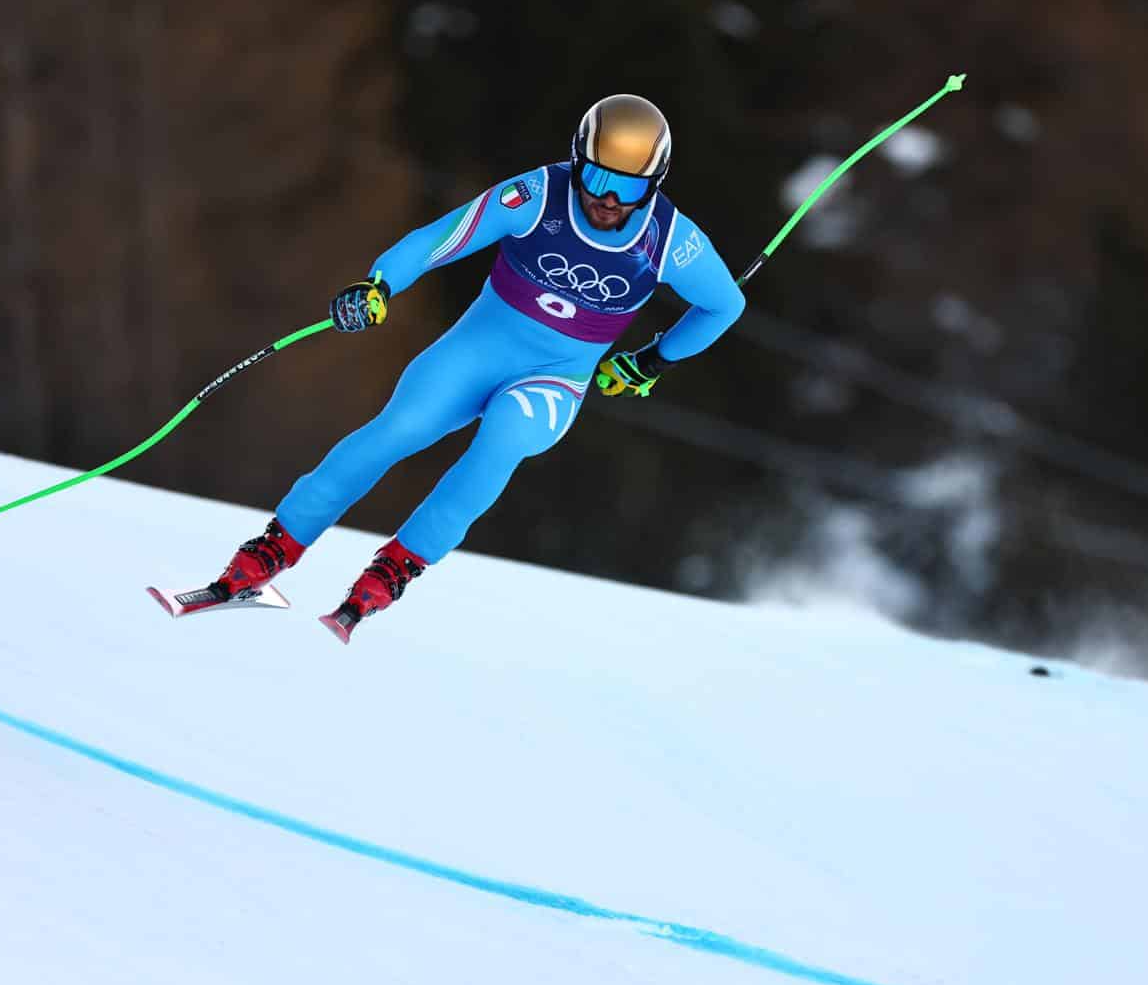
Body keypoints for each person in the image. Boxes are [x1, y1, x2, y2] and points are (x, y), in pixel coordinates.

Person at [202, 94, 744, 642]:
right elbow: (442, 238)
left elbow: (724, 306)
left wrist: (651, 361)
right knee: (399, 429)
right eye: (597, 176)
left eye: (628, 188)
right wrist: (379, 284)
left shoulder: (672, 241)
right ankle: (274, 547)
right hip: (476, 351)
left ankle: (396, 567)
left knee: (505, 438)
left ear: (654, 184)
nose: (607, 198)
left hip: (556, 374)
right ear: (577, 160)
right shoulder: (538, 194)